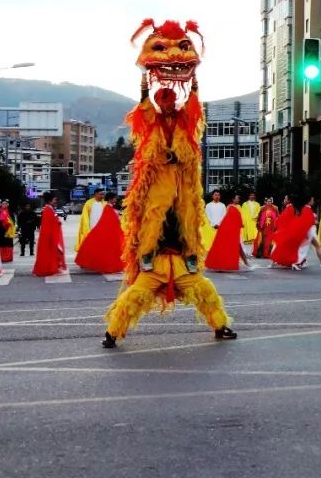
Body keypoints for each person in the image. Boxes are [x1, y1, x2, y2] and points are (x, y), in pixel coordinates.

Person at [102, 26, 238, 348]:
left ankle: (220, 326)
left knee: (205, 291)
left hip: (182, 262)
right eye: (160, 101)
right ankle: (112, 332)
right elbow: (143, 111)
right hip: (156, 262)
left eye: (167, 101)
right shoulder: (152, 125)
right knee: (135, 295)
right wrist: (144, 85)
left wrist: (193, 85)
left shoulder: (184, 125)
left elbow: (194, 110)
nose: (165, 105)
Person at [75, 192, 124, 274]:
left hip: (111, 232)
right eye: (114, 198)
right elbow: (109, 222)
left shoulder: (109, 207)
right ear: (111, 199)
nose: (116, 199)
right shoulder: (108, 208)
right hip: (110, 233)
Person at [270, 195, 321, 269]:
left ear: (289, 200)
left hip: (291, 230)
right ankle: (296, 262)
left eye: (285, 198)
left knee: (287, 246)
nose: (284, 200)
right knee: (298, 247)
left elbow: (286, 219)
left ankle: (292, 261)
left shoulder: (291, 208)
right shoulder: (294, 208)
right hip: (295, 230)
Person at [204, 194, 252, 271]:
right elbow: (228, 220)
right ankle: (245, 264)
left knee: (238, 248)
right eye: (237, 198)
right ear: (233, 200)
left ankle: (246, 263)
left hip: (233, 231)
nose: (238, 199)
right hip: (230, 232)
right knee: (236, 248)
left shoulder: (236, 207)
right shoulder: (231, 208)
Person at [33, 192, 68, 277]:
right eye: (54, 199)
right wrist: (57, 222)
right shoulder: (48, 210)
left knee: (52, 253)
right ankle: (49, 269)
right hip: (50, 236)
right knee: (51, 253)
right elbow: (49, 225)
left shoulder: (50, 209)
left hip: (50, 235)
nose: (56, 201)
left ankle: (52, 268)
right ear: (50, 200)